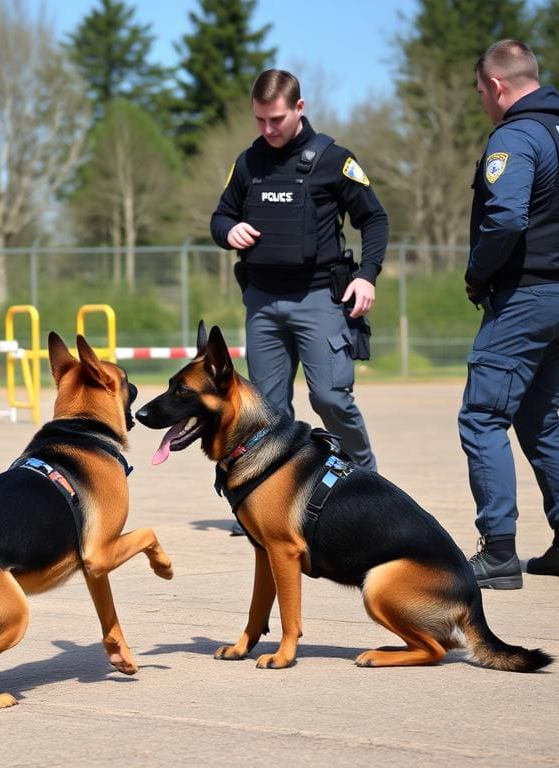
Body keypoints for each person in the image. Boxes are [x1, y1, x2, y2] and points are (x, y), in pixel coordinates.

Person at [211, 69, 388, 534]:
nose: (267, 130)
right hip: (263, 302)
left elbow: (375, 220)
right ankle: (264, 500)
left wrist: (367, 277)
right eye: (260, 120)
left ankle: (369, 484)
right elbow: (220, 215)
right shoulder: (248, 162)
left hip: (318, 298)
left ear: (300, 108)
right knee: (266, 411)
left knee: (331, 396)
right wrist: (228, 230)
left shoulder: (335, 160)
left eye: (276, 120)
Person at [460, 40, 559, 589]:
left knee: (483, 417)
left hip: (527, 296)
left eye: (481, 90)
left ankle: (498, 551)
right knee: (539, 418)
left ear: (498, 85)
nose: (482, 99)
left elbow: (505, 219)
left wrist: (478, 274)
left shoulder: (517, 135)